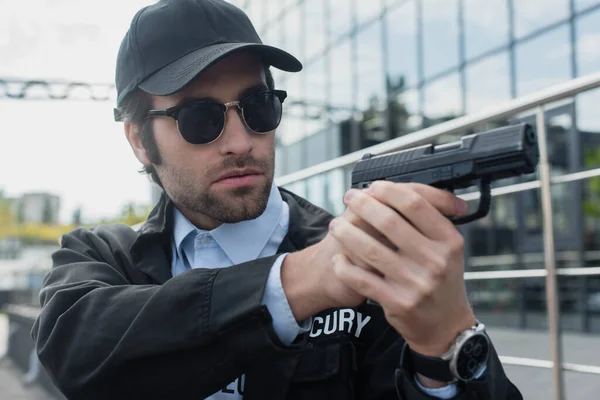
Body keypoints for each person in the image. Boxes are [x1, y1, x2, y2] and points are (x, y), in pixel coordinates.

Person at [32, 1, 523, 399]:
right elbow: (75, 349)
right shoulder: (103, 255)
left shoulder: (367, 259)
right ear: (140, 140)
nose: (241, 141)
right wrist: (300, 281)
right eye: (201, 118)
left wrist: (447, 348)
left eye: (257, 107)